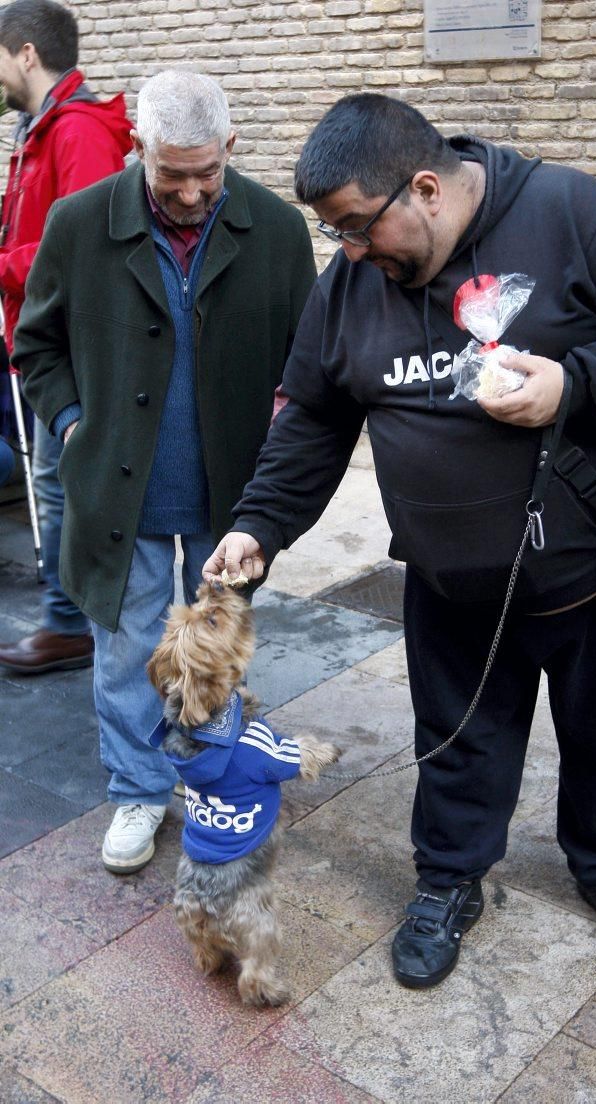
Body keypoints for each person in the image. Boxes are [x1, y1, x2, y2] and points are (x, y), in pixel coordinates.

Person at [202, 93, 596, 988]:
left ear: (428, 188)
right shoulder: (354, 284)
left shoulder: (570, 211)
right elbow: (311, 414)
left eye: (360, 228)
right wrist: (260, 523)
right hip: (454, 585)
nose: (351, 253)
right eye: (337, 236)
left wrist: (575, 384)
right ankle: (447, 882)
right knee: (456, 743)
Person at [13, 69, 316, 875]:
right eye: (169, 173)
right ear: (137, 149)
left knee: (219, 643)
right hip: (119, 486)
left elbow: (307, 368)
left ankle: (215, 768)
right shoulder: (80, 224)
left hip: (234, 493)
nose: (188, 192)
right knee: (125, 647)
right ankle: (140, 787)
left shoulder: (279, 233)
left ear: (232, 148)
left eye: (206, 172)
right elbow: (34, 348)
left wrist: (285, 451)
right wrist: (75, 424)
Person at [0, 0, 132, 674]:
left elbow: (81, 250)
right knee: (51, 484)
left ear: (26, 53)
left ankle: (73, 622)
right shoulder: (40, 128)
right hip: (39, 339)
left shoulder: (77, 133)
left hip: (70, 346)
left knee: (60, 486)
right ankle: (72, 618)